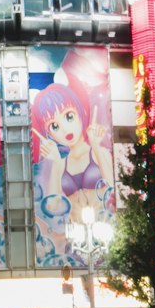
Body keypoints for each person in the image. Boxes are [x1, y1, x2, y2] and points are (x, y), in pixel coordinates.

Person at [31, 79, 115, 224]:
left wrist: (95, 145)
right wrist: (56, 161)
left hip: (106, 227)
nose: (64, 129)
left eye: (69, 116)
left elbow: (113, 187)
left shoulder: (97, 151)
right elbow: (53, 206)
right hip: (76, 233)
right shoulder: (60, 164)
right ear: (49, 134)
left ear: (80, 111)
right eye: (54, 126)